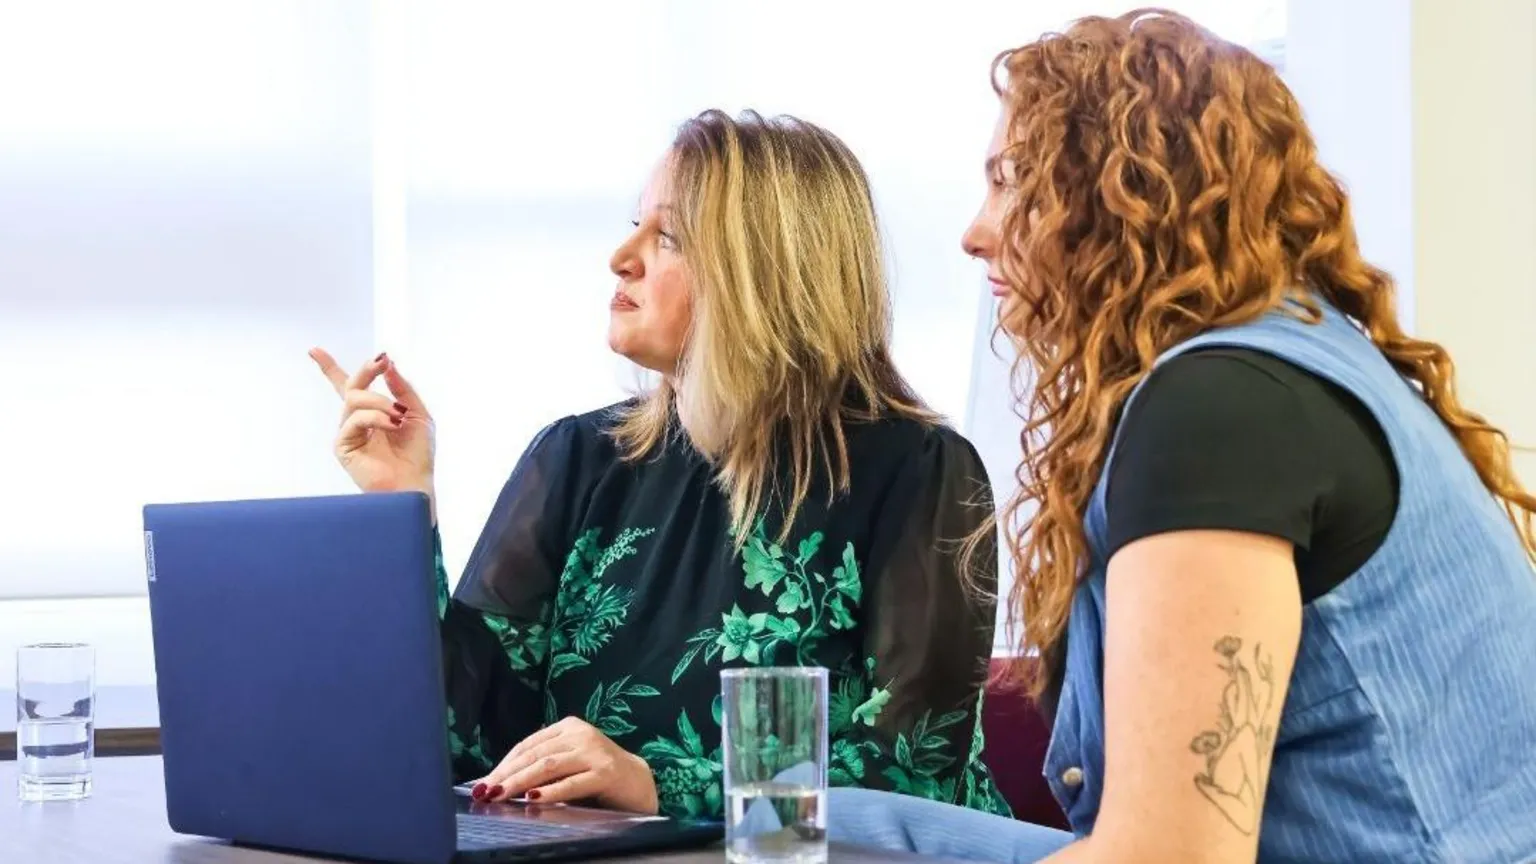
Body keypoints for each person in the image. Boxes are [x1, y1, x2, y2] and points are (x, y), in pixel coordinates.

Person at [822, 10, 1536, 863]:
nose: (976, 232)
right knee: (822, 832)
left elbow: (1171, 859)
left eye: (1015, 179)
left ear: (1129, 197)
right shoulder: (1291, 362)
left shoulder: (1217, 412)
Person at [308, 109, 1010, 822]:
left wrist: (655, 786)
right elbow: (467, 743)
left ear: (767, 268)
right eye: (633, 224)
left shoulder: (920, 472)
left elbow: (911, 778)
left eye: (667, 236)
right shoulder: (578, 460)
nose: (622, 255)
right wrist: (400, 511)